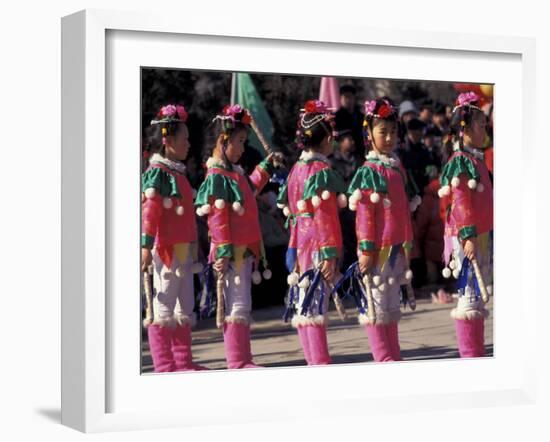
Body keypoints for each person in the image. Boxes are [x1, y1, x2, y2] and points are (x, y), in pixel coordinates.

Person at [194, 104, 282, 369]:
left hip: (242, 251)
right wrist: (221, 251)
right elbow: (218, 217)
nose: (243, 149)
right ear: (223, 141)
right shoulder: (218, 176)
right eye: (240, 142)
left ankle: (243, 359)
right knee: (237, 304)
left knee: (242, 303)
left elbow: (250, 187)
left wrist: (267, 167)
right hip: (230, 253)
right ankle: (238, 360)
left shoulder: (233, 173)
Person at [346, 97, 420, 362]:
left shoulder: (396, 167)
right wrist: (366, 248)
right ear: (369, 134)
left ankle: (393, 355)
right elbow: (365, 215)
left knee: (391, 303)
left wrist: (407, 245)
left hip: (397, 247)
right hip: (377, 250)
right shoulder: (369, 171)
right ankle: (383, 357)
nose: (389, 137)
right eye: (382, 132)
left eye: (392, 131)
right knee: (377, 305)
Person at [277, 99, 347, 365]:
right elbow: (325, 216)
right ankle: (319, 362)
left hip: (299, 244)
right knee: (315, 304)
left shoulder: (296, 169)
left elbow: (292, 211)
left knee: (305, 305)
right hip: (318, 245)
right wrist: (330, 253)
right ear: (327, 139)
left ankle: (312, 360)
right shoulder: (320, 171)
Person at [141, 104, 207, 372]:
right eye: (185, 139)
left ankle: (183, 362)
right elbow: (150, 211)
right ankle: (164, 365)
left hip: (183, 250)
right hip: (166, 249)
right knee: (164, 306)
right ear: (167, 141)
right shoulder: (158, 173)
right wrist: (145, 246)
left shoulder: (176, 172)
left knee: (185, 305)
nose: (189, 144)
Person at [438, 91, 493, 358]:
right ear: (465, 128)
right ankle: (471, 355)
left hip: (479, 236)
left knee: (477, 301)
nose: (485, 128)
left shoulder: (475, 159)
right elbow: (460, 203)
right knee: (469, 298)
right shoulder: (461, 161)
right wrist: (468, 236)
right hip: (466, 238)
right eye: (481, 124)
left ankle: (476, 354)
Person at [335, 84, 365, 159]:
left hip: (360, 152)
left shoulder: (360, 116)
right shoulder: (336, 117)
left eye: (350, 97)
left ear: (354, 98)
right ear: (341, 98)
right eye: (345, 97)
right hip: (341, 155)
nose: (348, 100)